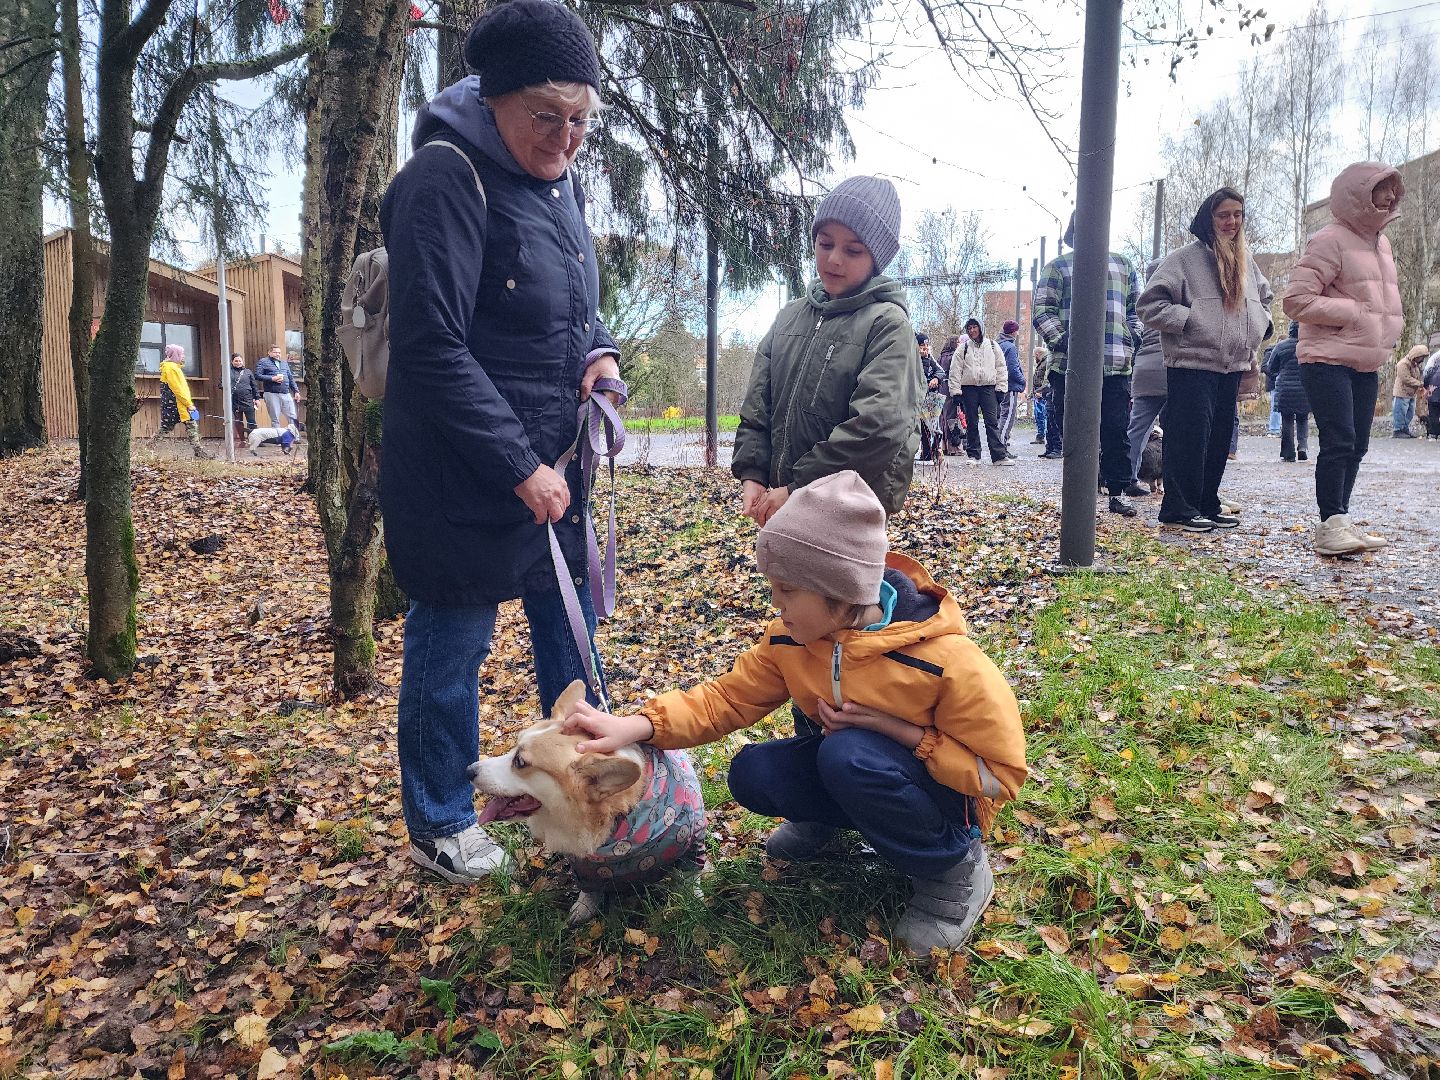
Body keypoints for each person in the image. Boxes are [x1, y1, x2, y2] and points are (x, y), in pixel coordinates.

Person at [561, 471, 1027, 954]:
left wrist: (907, 735)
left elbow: (1002, 774)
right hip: (858, 771)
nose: (775, 606)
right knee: (754, 772)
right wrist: (636, 726)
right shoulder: (791, 638)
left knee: (849, 754)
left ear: (841, 590)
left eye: (787, 591)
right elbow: (727, 698)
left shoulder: (945, 660)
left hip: (945, 801)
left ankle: (955, 873)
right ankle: (825, 825)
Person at [379, 0, 627, 883]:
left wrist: (599, 359)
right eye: (547, 117)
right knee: (453, 649)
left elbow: (576, 313)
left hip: (554, 473)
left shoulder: (560, 184)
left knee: (571, 643)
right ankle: (442, 821)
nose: (566, 137)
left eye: (582, 120)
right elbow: (430, 345)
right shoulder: (443, 178)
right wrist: (516, 463)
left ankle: (598, 799)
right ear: (494, 99)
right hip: (462, 476)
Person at [734, 176, 920, 523]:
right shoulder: (789, 317)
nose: (834, 259)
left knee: (841, 580)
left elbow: (876, 428)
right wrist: (753, 474)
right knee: (786, 578)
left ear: (876, 259)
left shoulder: (888, 325)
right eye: (824, 244)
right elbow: (758, 406)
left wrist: (798, 487)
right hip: (782, 503)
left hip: (849, 511)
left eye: (852, 250)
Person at [1284, 163, 1403, 556]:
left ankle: (1342, 519)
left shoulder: (1381, 244)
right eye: (1380, 190)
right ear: (1358, 194)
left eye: (1391, 190)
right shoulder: (1329, 239)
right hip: (1326, 357)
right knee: (1339, 441)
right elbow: (1295, 301)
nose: (1389, 197)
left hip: (1365, 360)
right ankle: (1329, 523)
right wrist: (1353, 313)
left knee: (1359, 445)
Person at [1139, 187, 1273, 533]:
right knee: (1188, 436)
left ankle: (1206, 503)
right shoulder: (1183, 259)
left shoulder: (1246, 260)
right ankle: (1178, 508)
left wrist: (1260, 325)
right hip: (1191, 361)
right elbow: (1149, 306)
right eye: (1223, 214)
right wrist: (1192, 321)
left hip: (1231, 364)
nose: (1232, 222)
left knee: (1217, 439)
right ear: (1208, 218)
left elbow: (1264, 298)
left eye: (1238, 214)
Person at [1032, 213, 1147, 513]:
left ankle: (1117, 491)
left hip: (1115, 363)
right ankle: (1079, 489)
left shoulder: (1124, 265)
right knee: (1070, 425)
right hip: (1069, 366)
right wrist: (1065, 341)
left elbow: (1137, 309)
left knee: (1116, 428)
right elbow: (1043, 311)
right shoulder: (1058, 267)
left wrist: (1132, 337)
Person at [947, 318, 1014, 466]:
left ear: (980, 328)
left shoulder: (992, 346)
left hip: (988, 388)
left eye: (974, 327)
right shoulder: (962, 349)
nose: (972, 330)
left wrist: (1001, 389)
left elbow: (1001, 368)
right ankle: (973, 455)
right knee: (971, 423)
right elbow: (955, 371)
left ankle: (998, 456)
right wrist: (956, 392)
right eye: (969, 328)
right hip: (969, 389)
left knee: (992, 422)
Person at [151, 344, 211, 459]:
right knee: (168, 427)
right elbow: (177, 388)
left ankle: (199, 451)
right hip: (176, 405)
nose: (183, 356)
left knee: (188, 425)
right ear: (175, 354)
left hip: (176, 404)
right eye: (181, 353)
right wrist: (189, 404)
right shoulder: (171, 368)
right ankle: (149, 447)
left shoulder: (173, 367)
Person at [1266, 322, 1312, 463]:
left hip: (1285, 388)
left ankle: (1288, 452)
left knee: (1287, 419)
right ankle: (1303, 446)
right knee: (1303, 418)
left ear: (1290, 330)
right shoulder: (1309, 346)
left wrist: (1278, 374)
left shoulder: (1280, 346)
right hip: (1305, 387)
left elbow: (1271, 367)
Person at [995, 320, 1027, 449]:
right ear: (1013, 332)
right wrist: (1022, 381)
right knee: (1008, 416)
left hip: (1000, 385)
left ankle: (999, 444)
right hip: (1010, 386)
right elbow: (1013, 369)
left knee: (1002, 414)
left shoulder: (998, 345)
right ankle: (1002, 446)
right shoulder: (1010, 347)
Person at [255, 345, 299, 435]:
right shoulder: (263, 362)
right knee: (275, 418)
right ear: (269, 352)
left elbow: (290, 378)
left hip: (286, 393)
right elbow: (257, 375)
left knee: (292, 416)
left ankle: (295, 436)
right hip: (271, 393)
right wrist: (272, 378)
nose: (277, 354)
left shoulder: (284, 363)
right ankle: (278, 438)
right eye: (275, 352)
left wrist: (296, 391)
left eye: (279, 352)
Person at [917, 332, 947, 461]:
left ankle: (933, 452)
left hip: (930, 396)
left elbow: (940, 371)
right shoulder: (914, 358)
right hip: (916, 396)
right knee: (919, 426)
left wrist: (936, 378)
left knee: (933, 426)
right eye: (922, 345)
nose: (925, 347)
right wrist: (924, 359)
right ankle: (925, 453)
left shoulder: (930, 357)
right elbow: (920, 376)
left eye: (927, 345)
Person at [1392, 344, 1426, 438]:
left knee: (1409, 413)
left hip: (1411, 393)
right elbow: (1406, 378)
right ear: (1416, 355)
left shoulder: (1415, 365)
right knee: (1400, 412)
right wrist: (1419, 383)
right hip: (1402, 392)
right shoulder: (1403, 363)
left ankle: (1405, 429)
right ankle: (1397, 430)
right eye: (1421, 357)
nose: (1422, 360)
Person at [937, 335, 965, 452]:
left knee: (942, 416)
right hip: (951, 387)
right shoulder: (955, 356)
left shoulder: (940, 357)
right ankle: (953, 446)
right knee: (952, 416)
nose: (959, 344)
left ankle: (942, 446)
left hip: (941, 388)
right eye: (958, 342)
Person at [229, 352, 260, 442]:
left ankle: (254, 439)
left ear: (242, 361)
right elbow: (221, 384)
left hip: (248, 400)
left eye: (240, 361)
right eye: (236, 361)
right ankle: (242, 440)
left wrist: (257, 398)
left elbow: (254, 386)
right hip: (235, 401)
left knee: (251, 421)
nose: (238, 362)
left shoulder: (248, 372)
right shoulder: (228, 371)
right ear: (232, 361)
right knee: (238, 422)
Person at [1030, 346, 1050, 444]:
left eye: (1034, 356)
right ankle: (1040, 435)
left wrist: (1040, 392)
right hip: (1038, 393)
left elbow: (1046, 379)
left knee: (1041, 415)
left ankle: (1041, 435)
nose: (1034, 358)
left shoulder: (1045, 362)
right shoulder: (1042, 362)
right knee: (1039, 415)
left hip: (1041, 394)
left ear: (1038, 354)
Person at [1425, 352, 1440, 439]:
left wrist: (1426, 387)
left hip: (1433, 393)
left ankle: (1433, 433)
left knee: (1433, 414)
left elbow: (1426, 378)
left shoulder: (1432, 369)